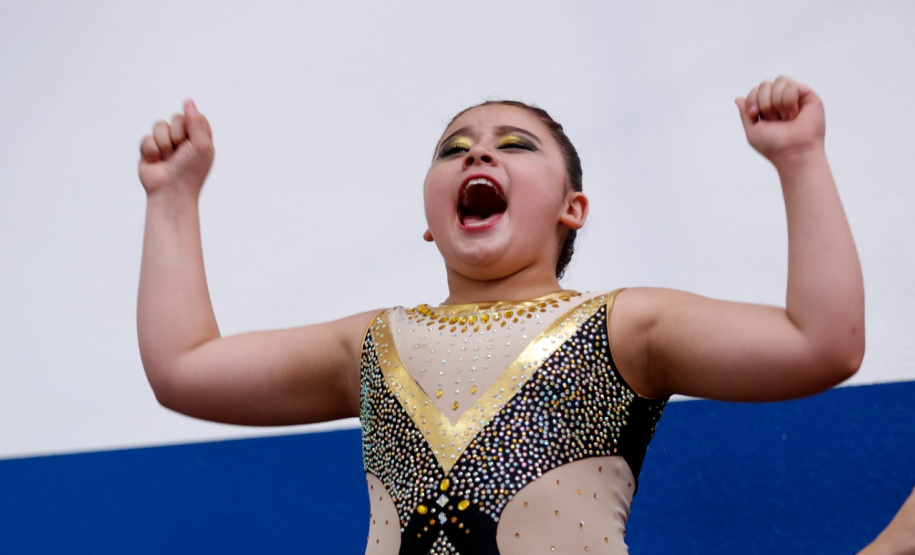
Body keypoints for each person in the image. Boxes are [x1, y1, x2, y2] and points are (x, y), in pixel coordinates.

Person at [137, 76, 865, 554]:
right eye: (453, 149)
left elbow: (822, 343)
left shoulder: (624, 326)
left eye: (513, 145)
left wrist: (799, 158)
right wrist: (172, 199)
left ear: (571, 209)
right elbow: (184, 368)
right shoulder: (370, 343)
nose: (477, 150)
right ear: (430, 218)